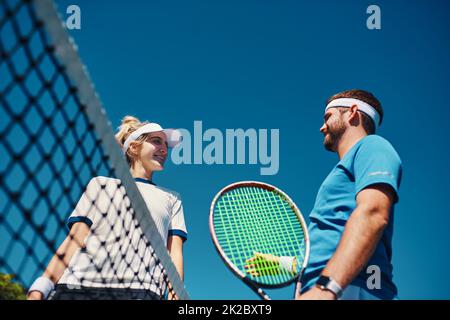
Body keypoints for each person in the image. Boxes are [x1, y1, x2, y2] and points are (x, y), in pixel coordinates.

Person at [27, 116, 188, 300]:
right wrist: (40, 287)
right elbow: (74, 239)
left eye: (166, 145)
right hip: (76, 288)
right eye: (156, 141)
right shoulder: (100, 184)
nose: (164, 149)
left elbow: (174, 254)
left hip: (143, 291)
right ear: (134, 148)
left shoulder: (172, 198)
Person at [296, 89, 402, 300]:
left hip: (352, 288)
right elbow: (333, 234)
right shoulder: (340, 171)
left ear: (353, 112)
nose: (321, 127)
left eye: (328, 117)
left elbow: (373, 213)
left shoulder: (373, 145)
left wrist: (328, 287)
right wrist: (290, 264)